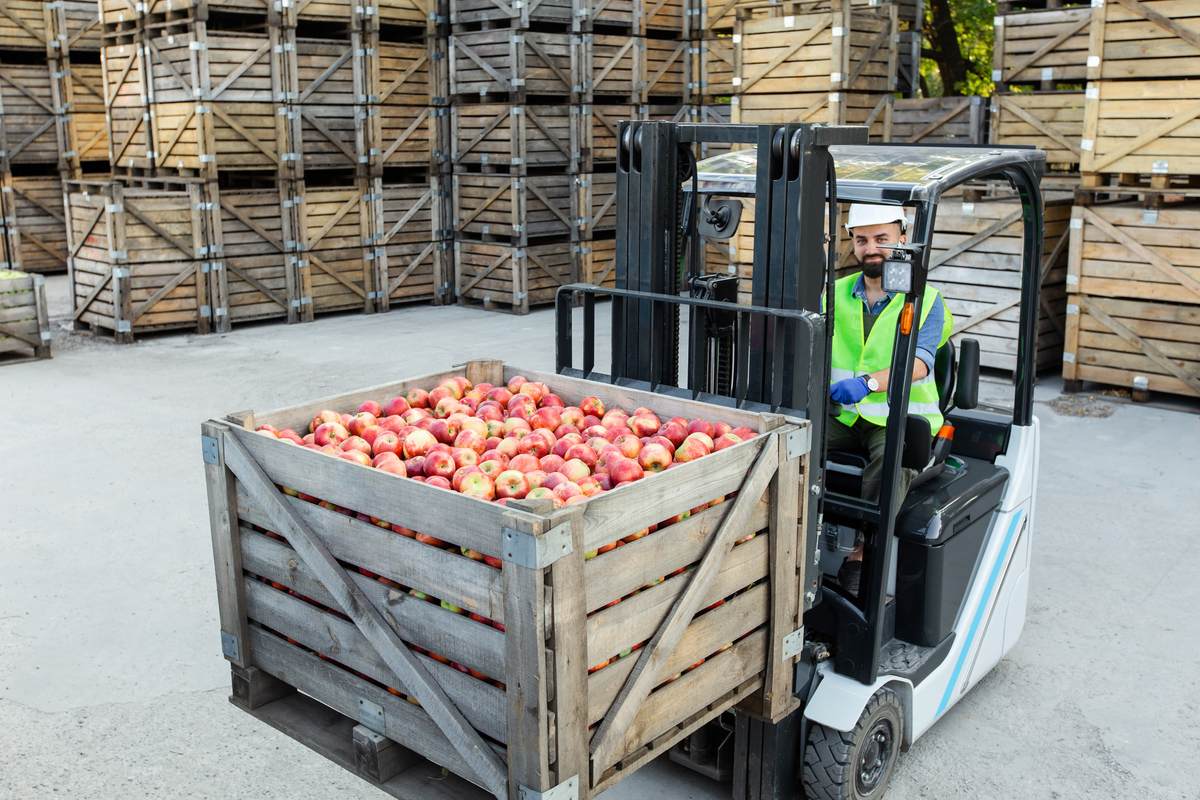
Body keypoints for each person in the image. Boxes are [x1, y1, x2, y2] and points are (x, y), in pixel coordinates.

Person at [826, 204, 953, 593]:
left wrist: (869, 383)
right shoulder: (833, 293)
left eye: (882, 239)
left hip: (897, 418)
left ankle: (864, 551)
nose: (871, 249)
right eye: (862, 240)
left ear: (902, 238)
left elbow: (920, 363)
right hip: (842, 415)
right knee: (787, 437)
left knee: (892, 454)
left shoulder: (925, 300)